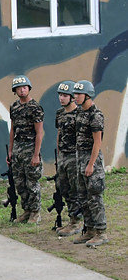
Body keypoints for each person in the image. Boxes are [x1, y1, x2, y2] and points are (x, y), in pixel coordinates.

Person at [71, 80, 108, 247]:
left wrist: (91, 164)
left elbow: (97, 142)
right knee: (83, 197)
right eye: (75, 94)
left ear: (87, 95)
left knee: (94, 197)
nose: (75, 97)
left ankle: (101, 232)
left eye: (78, 94)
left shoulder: (96, 115)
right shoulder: (79, 112)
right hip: (80, 158)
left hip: (91, 159)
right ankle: (90, 230)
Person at [7, 75, 44, 223]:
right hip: (17, 148)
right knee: (19, 182)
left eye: (24, 87)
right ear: (15, 91)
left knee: (32, 182)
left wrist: (36, 154)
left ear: (29, 88)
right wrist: (10, 151)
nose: (22, 90)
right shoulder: (14, 107)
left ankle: (35, 212)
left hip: (30, 148)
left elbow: (39, 132)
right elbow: (12, 130)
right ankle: (26, 210)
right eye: (19, 88)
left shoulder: (35, 108)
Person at [54, 81, 83, 237]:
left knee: (75, 189)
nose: (61, 98)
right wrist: (58, 154)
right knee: (63, 187)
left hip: (75, 156)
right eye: (60, 95)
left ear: (72, 98)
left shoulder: (79, 114)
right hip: (63, 155)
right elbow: (59, 133)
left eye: (65, 95)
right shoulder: (60, 113)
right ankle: (72, 219)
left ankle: (76, 221)